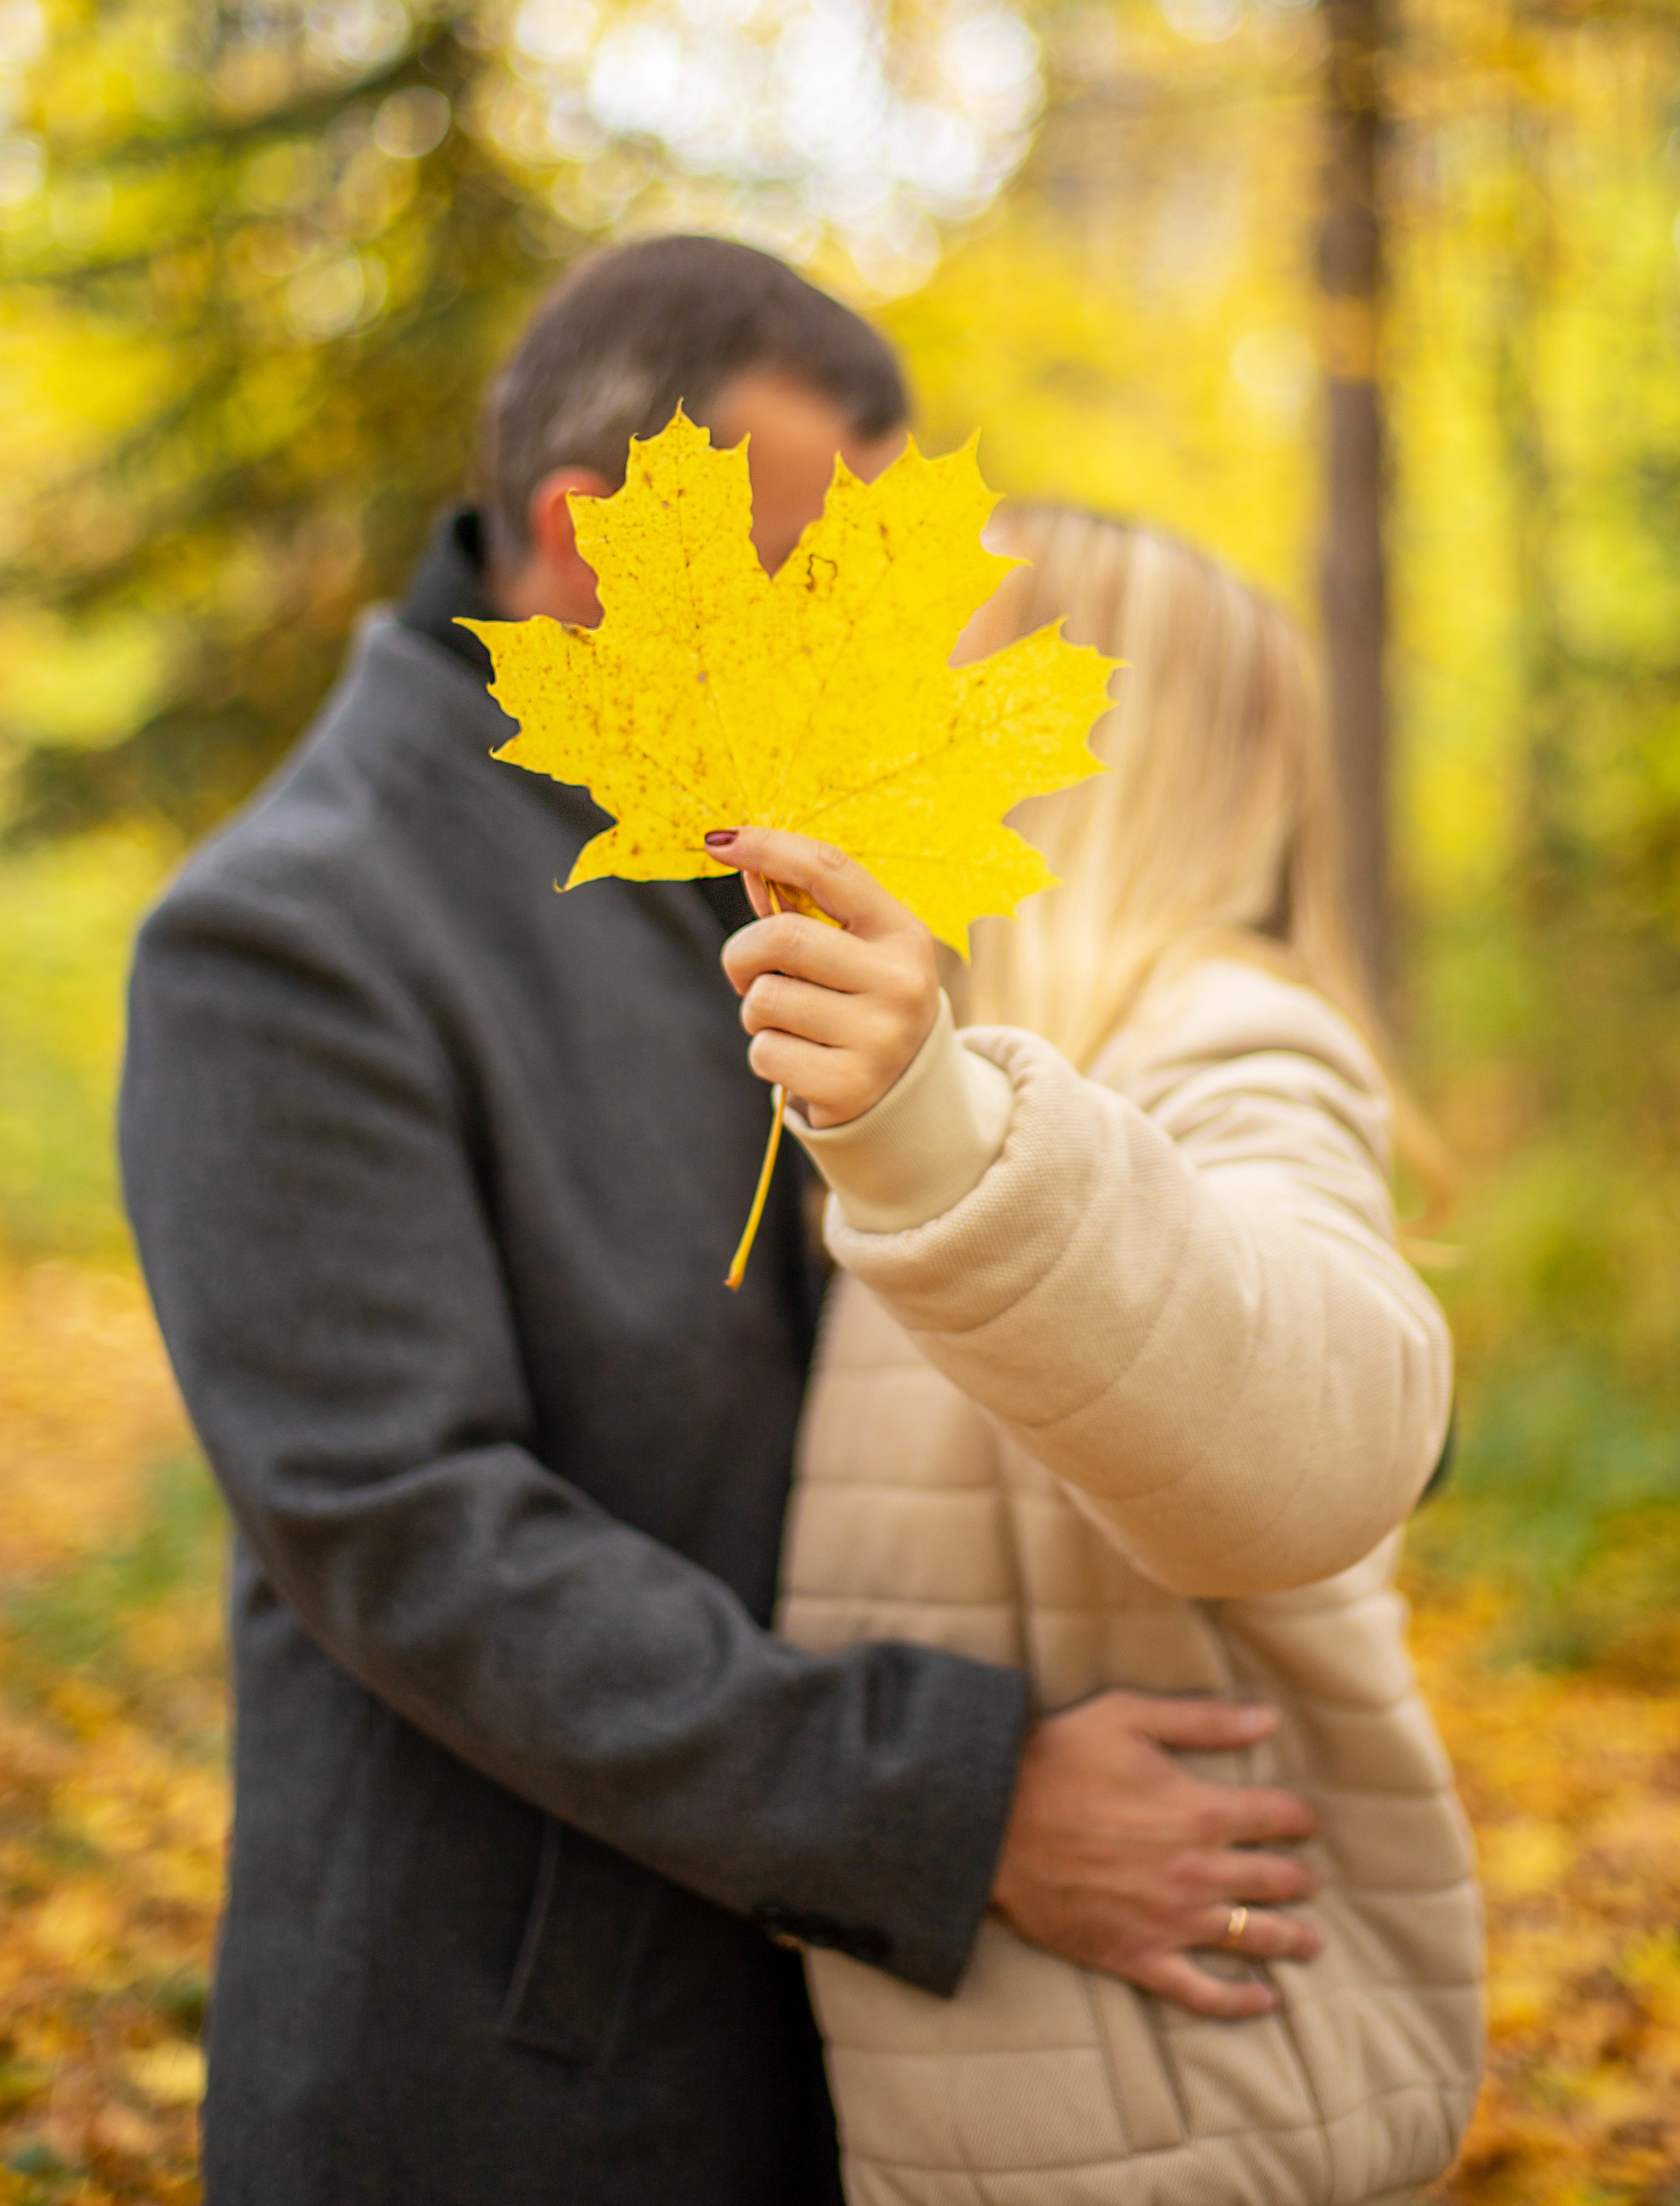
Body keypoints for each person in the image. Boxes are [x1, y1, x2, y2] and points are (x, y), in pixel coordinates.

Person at [119, 240, 1331, 2206]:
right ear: (597, 539)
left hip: (852, 2045)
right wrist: (962, 1799)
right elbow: (409, 1532)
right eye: (810, 576)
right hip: (523, 2081)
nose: (867, 651)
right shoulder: (290, 934)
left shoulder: (765, 866)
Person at [710, 508, 1486, 2205]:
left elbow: (1322, 1446)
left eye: (932, 678)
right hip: (1060, 2097)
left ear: (1080, 746)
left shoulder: (1222, 1025)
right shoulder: (996, 1058)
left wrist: (938, 1141)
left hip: (1185, 2102)